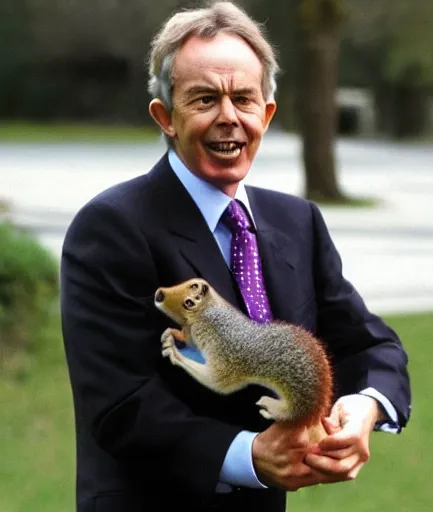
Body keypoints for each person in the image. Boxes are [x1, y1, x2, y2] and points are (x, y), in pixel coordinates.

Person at [60, 2, 411, 511]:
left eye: (244, 99)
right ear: (166, 118)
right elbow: (119, 403)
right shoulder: (111, 227)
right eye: (204, 99)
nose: (229, 117)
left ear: (266, 115)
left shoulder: (298, 222)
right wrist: (248, 455)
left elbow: (369, 343)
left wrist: (362, 410)